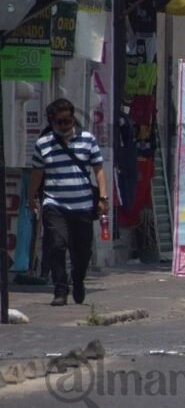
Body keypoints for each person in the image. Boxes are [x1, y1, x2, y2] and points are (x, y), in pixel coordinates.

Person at [27, 99, 109, 306]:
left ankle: (78, 280)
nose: (65, 126)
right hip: (55, 204)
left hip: (82, 205)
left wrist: (103, 198)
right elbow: (37, 174)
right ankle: (60, 288)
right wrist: (31, 197)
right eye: (60, 122)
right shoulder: (43, 145)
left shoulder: (88, 140)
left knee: (82, 251)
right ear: (52, 122)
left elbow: (99, 170)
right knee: (56, 244)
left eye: (68, 121)